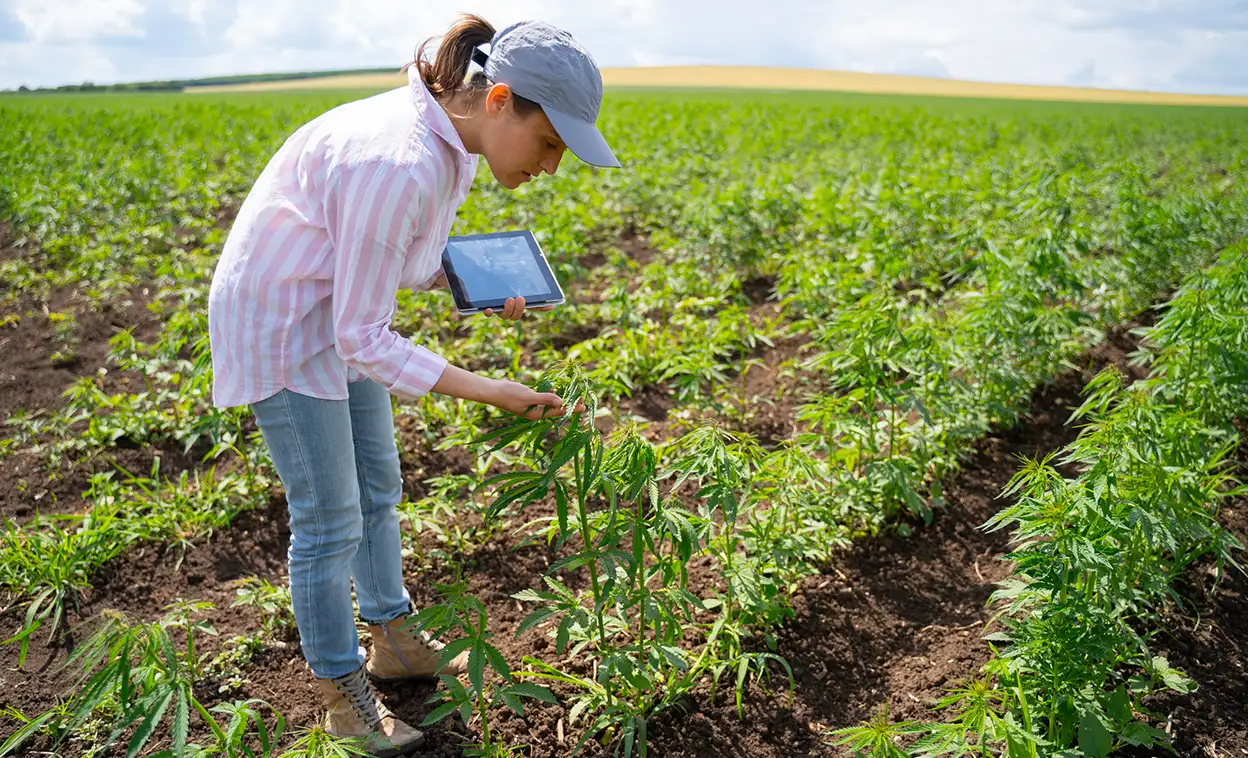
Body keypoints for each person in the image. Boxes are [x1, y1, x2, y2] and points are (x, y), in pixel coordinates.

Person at [206, 13, 619, 756]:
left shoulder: (447, 145)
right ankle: (341, 697)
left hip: (333, 310)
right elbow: (361, 336)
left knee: (377, 486)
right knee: (329, 518)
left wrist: (473, 282)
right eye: (550, 143)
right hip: (287, 325)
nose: (551, 167)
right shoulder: (397, 161)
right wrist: (491, 388)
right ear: (499, 102)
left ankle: (394, 640)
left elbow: (395, 258)